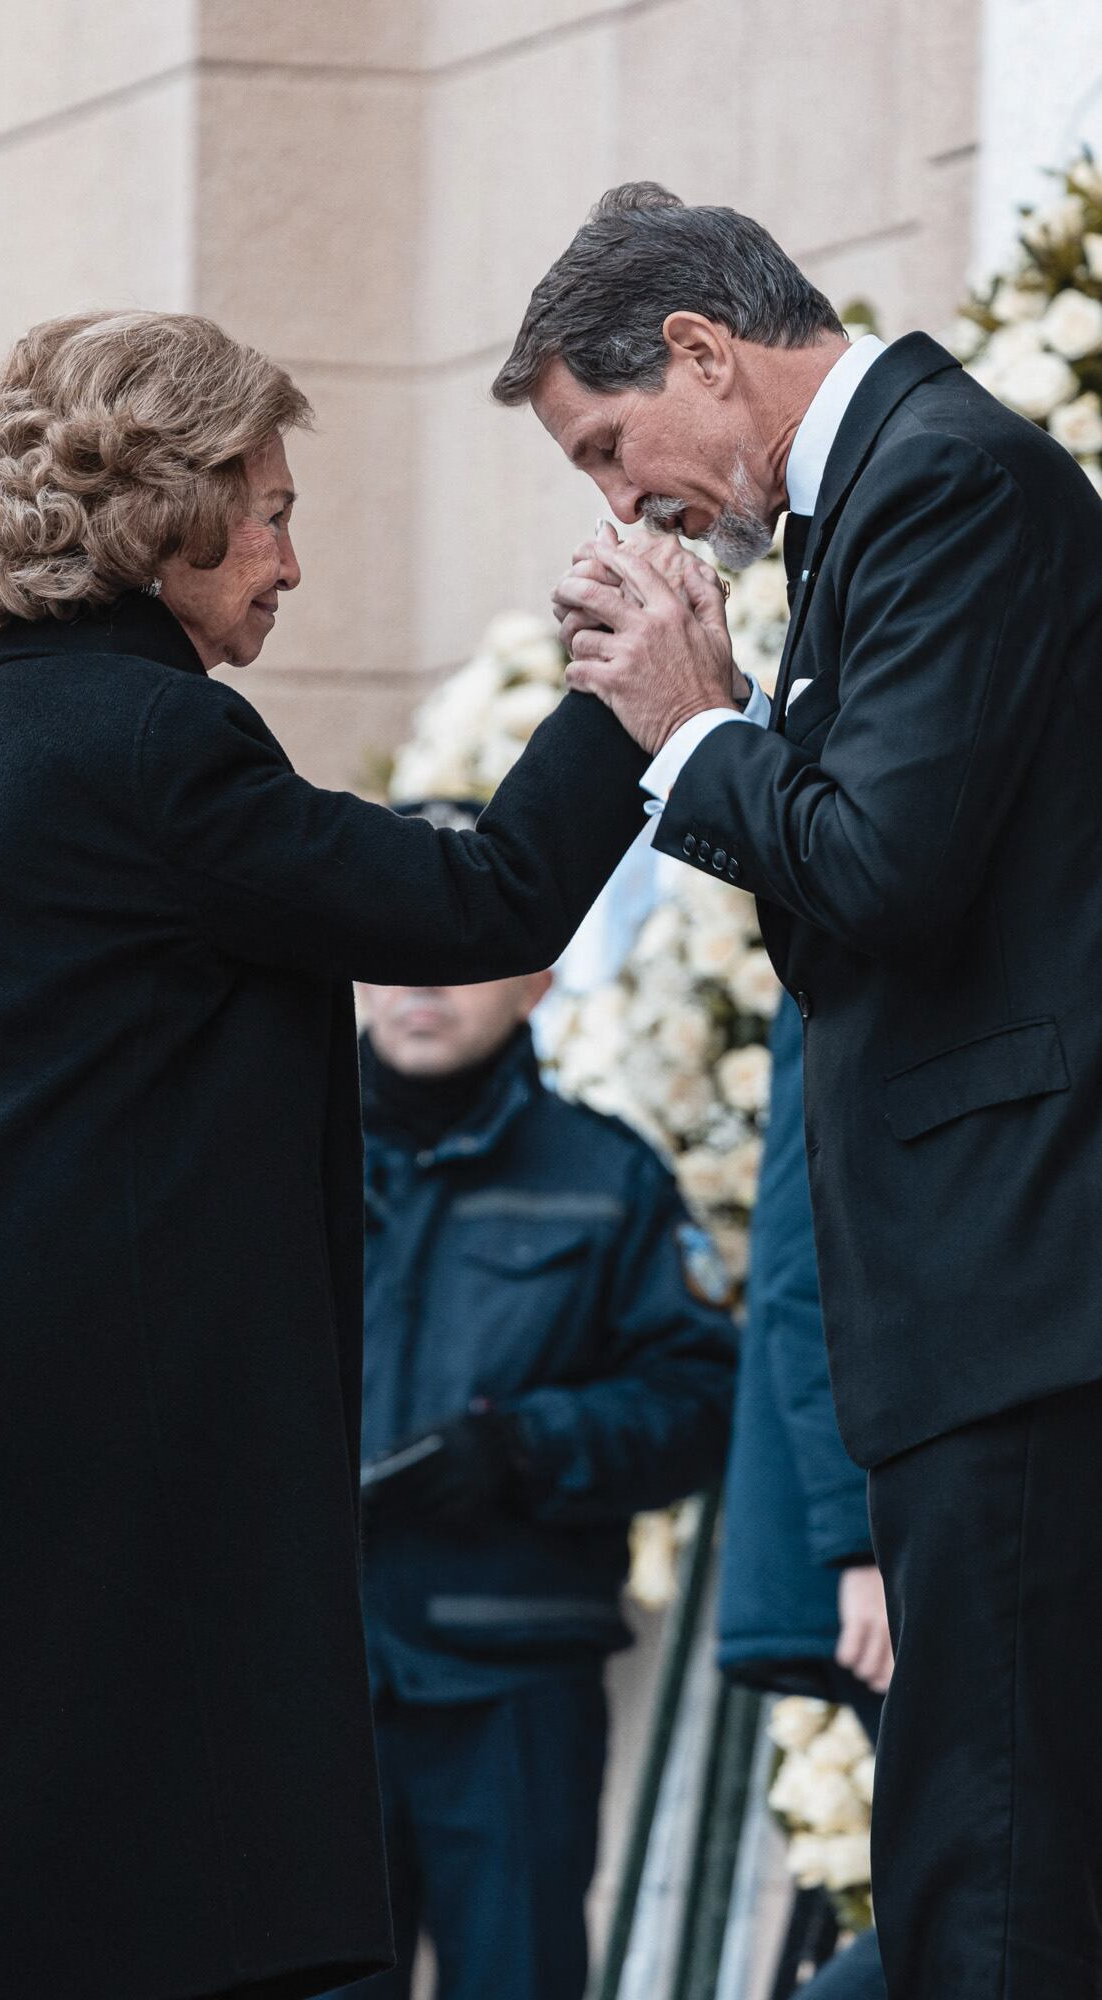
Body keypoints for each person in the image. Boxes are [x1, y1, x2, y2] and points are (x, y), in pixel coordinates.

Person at [0, 310, 669, 2000]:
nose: (292, 561)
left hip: (0, 1485)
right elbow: (478, 902)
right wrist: (624, 699)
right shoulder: (147, 743)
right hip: (122, 1517)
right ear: (166, 512)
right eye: (272, 512)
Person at [494, 180, 1102, 1997]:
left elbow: (880, 879)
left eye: (608, 448)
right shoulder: (876, 505)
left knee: (989, 1874)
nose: (622, 505)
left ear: (699, 350)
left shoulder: (943, 481)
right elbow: (848, 920)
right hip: (982, 1309)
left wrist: (696, 723)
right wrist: (734, 726)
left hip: (1017, 1297)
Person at [320, 917, 736, 2000]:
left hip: (512, 1686)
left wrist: (521, 1448)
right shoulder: (263, 1161)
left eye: (462, 958)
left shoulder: (607, 1175)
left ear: (538, 983)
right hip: (301, 1684)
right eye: (397, 954)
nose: (422, 982)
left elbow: (697, 1400)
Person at [718, 1000, 887, 1999]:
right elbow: (805, 1255)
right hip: (896, 1536)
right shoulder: (854, 932)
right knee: (1000, 1891)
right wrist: (861, 1539)